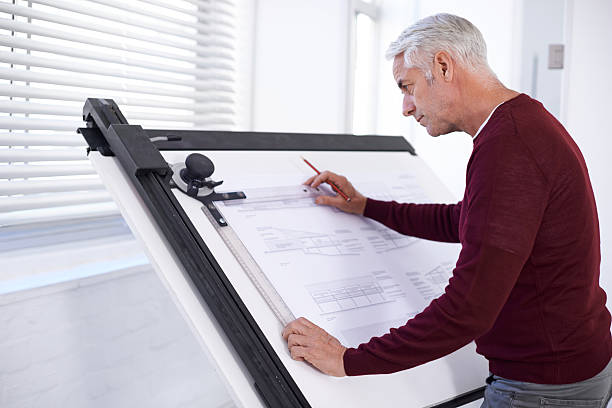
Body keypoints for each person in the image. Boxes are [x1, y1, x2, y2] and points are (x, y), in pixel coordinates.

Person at [282, 13, 612, 407]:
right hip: (569, 368)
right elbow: (465, 220)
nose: (406, 107)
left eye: (407, 87)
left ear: (443, 66)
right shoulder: (520, 123)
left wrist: (349, 360)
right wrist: (367, 206)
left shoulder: (510, 147)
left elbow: (468, 308)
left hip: (543, 387)